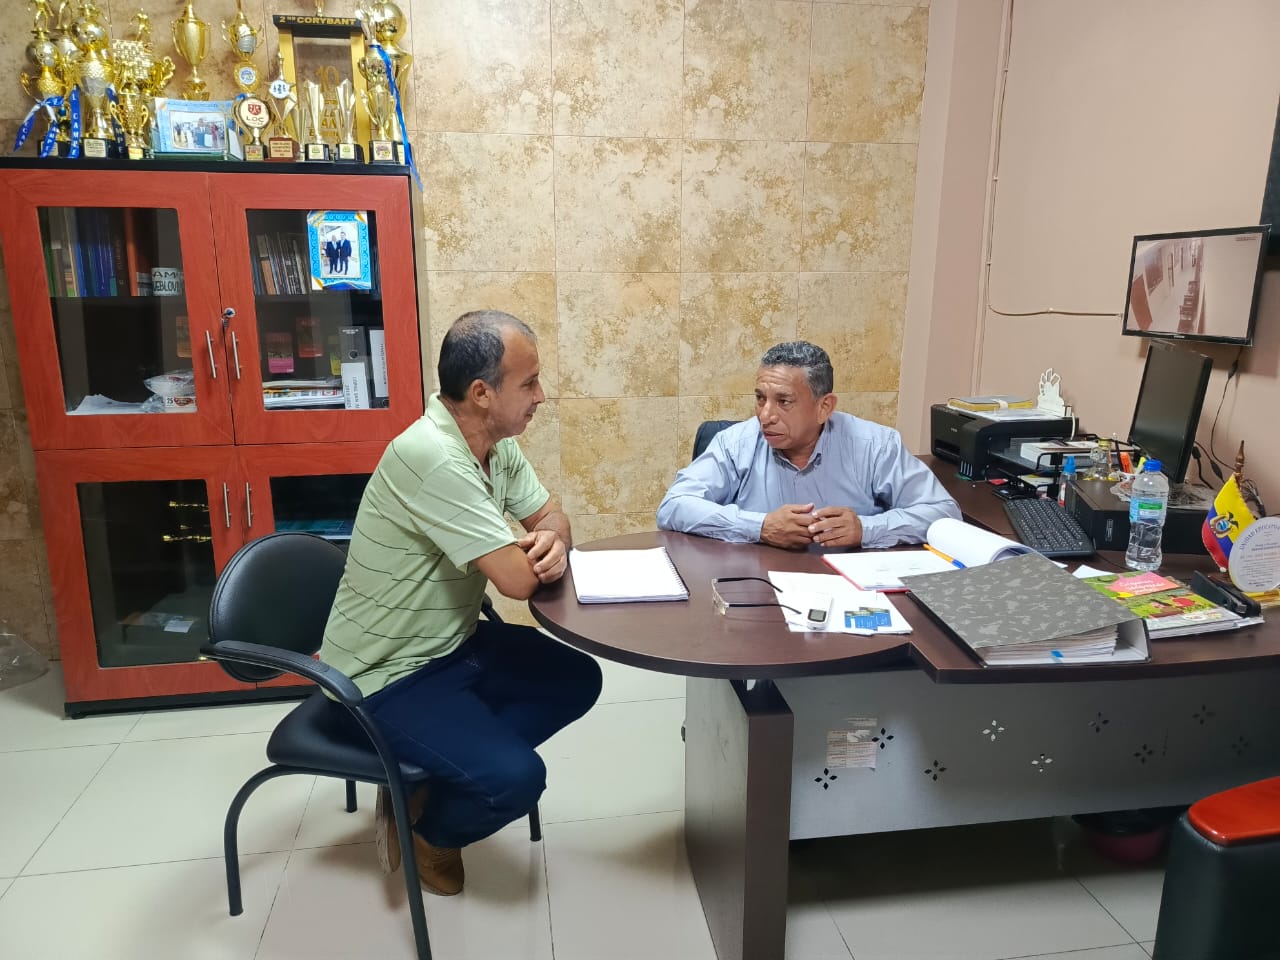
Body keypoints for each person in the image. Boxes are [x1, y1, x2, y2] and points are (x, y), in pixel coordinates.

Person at [319, 310, 602, 896]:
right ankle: (433, 834)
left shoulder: (494, 445)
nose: (541, 396)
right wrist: (542, 551)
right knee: (517, 781)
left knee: (578, 678)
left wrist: (554, 538)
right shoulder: (433, 456)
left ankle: (429, 775)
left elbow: (551, 517)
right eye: (529, 383)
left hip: (453, 643)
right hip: (383, 675)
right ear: (481, 394)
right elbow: (517, 582)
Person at [657, 340, 960, 549]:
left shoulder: (875, 445)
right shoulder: (736, 443)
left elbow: (944, 513)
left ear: (824, 407)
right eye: (760, 398)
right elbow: (674, 506)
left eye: (783, 401)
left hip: (847, 590)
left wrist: (866, 529)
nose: (765, 415)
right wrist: (761, 527)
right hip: (756, 588)